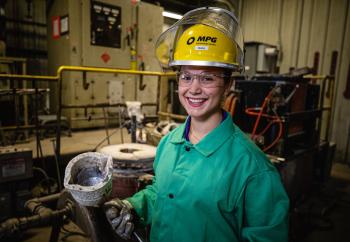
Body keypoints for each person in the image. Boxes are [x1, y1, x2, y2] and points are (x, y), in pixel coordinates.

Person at [104, 7, 289, 242]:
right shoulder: (169, 143)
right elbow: (162, 194)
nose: (193, 89)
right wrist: (133, 207)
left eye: (207, 78)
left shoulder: (253, 170)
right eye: (186, 76)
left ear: (229, 84)